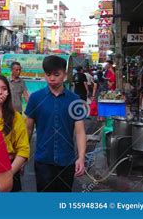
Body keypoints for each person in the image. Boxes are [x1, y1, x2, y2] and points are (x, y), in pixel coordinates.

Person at [25, 55, 86, 192]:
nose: (52, 78)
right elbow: (28, 129)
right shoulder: (35, 98)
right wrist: (22, 156)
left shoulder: (74, 100)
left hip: (67, 161)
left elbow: (80, 131)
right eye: (48, 74)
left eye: (56, 74)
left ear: (64, 75)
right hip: (43, 161)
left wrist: (81, 158)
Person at [0, 74, 30, 192]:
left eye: (4, 89)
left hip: (8, 169)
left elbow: (23, 149)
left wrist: (9, 173)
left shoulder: (15, 118)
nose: (0, 92)